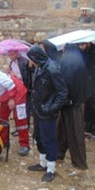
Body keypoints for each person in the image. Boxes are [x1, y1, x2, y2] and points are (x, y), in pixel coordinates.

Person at [26, 45, 68, 182]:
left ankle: (51, 169)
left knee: (49, 139)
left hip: (47, 111)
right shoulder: (39, 67)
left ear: (36, 58)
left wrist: (51, 108)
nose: (30, 62)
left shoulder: (52, 69)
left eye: (31, 59)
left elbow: (62, 93)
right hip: (38, 109)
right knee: (39, 137)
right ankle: (42, 163)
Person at [57, 43, 89, 170]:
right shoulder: (77, 58)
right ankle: (59, 154)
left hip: (71, 103)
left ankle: (80, 162)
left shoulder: (68, 60)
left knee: (75, 132)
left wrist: (65, 100)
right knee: (62, 130)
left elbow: (65, 81)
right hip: (75, 100)